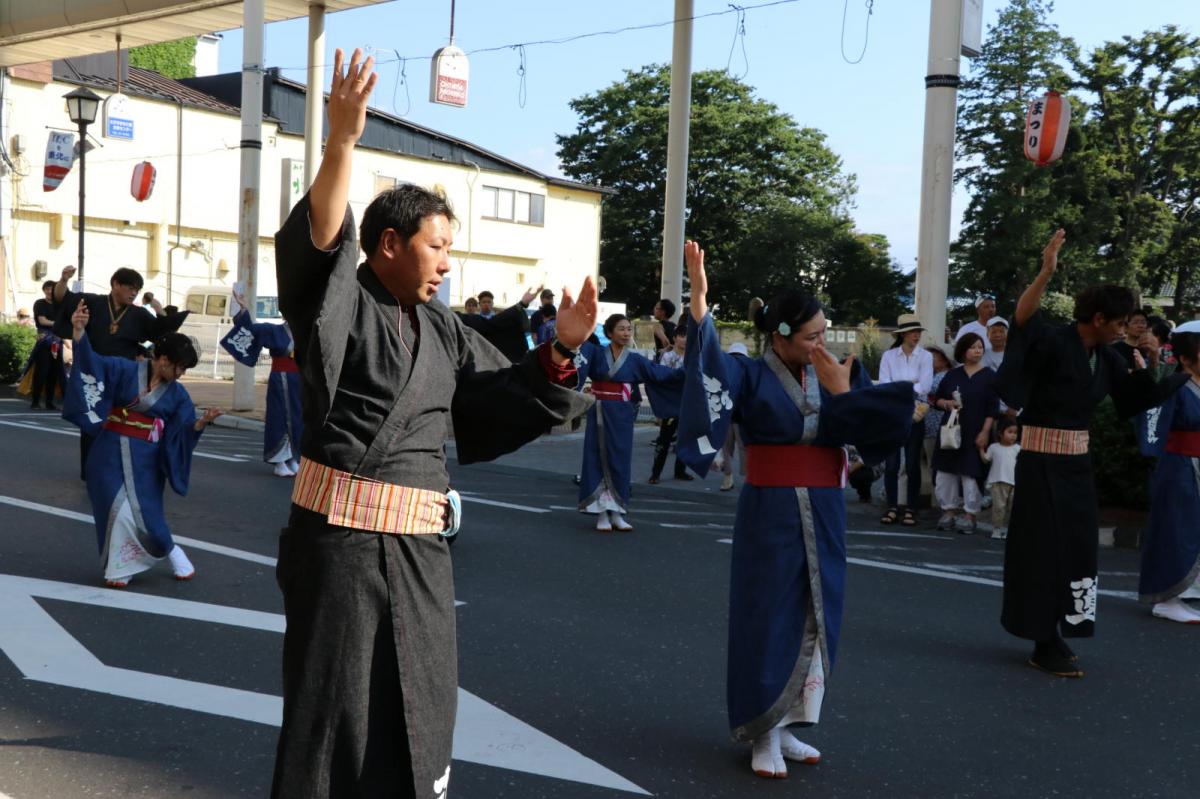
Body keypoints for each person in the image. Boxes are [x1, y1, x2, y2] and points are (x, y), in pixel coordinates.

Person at [268, 49, 595, 799]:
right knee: (335, 726)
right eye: (437, 247)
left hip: (421, 556)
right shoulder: (339, 301)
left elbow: (498, 394)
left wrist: (561, 350)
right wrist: (341, 141)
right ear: (389, 244)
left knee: (419, 715)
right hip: (341, 554)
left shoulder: (443, 328)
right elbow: (318, 243)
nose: (447, 264)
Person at [676, 240, 913, 779]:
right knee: (768, 615)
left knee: (816, 614)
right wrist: (700, 303)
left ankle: (790, 723)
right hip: (770, 510)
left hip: (825, 509)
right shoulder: (750, 373)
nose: (821, 343)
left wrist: (844, 394)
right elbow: (708, 371)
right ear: (779, 336)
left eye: (824, 333)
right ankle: (761, 729)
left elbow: (881, 431)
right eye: (811, 336)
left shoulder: (838, 370)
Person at [996, 229, 1188, 678]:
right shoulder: (1052, 340)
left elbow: (1134, 401)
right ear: (1099, 318)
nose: (1126, 329)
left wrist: (1156, 366)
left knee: (1079, 550)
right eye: (1120, 322)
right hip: (1040, 463)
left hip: (1077, 467)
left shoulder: (1110, 357)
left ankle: (1062, 629)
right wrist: (1046, 272)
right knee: (1041, 551)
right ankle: (1042, 637)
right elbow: (1022, 319)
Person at [61, 299, 221, 587]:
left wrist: (199, 424)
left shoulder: (178, 395)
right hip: (108, 451)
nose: (181, 374)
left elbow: (182, 430)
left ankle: (171, 550)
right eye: (180, 367)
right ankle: (120, 568)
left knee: (146, 515)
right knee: (115, 510)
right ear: (163, 360)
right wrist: (79, 332)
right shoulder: (124, 369)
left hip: (147, 458)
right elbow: (92, 365)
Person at [52, 265, 191, 478]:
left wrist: (160, 311)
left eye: (137, 289)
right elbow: (63, 298)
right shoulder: (93, 302)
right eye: (130, 288)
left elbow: (161, 334)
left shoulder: (139, 314)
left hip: (124, 376)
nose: (134, 293)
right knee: (92, 420)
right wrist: (63, 280)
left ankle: (115, 469)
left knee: (118, 422)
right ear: (116, 284)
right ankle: (90, 470)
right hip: (94, 372)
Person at [577, 313, 683, 530]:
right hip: (599, 411)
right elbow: (575, 354)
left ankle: (617, 511)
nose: (626, 333)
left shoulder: (634, 359)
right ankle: (601, 514)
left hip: (623, 414)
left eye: (629, 329)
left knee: (621, 460)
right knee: (598, 458)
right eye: (621, 329)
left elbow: (660, 373)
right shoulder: (596, 353)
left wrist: (688, 371)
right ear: (609, 333)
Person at [1134, 322, 1200, 623]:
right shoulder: (1174, 386)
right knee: (1176, 530)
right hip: (1180, 467)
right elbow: (1151, 423)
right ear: (1185, 358)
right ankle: (1166, 599)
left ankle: (1190, 591)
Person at [220, 290, 304, 477]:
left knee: (297, 418)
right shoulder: (273, 330)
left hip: (298, 380)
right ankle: (279, 461)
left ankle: (293, 458)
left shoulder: (305, 333)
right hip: (280, 379)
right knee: (279, 417)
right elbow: (250, 329)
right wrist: (242, 309)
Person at [931, 332, 998, 533]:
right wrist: (946, 403)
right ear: (963, 350)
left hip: (976, 430)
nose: (977, 351)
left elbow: (992, 409)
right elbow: (936, 399)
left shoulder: (989, 376)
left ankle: (970, 515)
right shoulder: (952, 375)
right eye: (973, 347)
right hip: (951, 430)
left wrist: (985, 432)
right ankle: (948, 511)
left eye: (980, 347)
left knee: (971, 472)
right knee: (945, 471)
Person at [878, 314, 933, 526]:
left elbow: (925, 386)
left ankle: (911, 508)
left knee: (912, 464)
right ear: (902, 335)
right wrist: (910, 385)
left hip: (914, 413)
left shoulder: (925, 356)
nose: (916, 335)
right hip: (894, 413)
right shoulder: (889, 356)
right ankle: (892, 506)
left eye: (918, 332)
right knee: (891, 464)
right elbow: (885, 385)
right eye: (912, 332)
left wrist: (900, 386)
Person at [648, 326, 692, 485]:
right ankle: (655, 473)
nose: (685, 340)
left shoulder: (693, 357)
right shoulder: (667, 356)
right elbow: (662, 379)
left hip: (687, 403)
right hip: (671, 403)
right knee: (664, 440)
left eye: (687, 336)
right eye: (681, 336)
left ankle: (680, 471)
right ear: (674, 338)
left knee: (685, 439)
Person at [980, 417, 1020, 540]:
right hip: (998, 482)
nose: (1013, 435)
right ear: (1000, 433)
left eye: (1015, 432)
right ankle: (996, 529)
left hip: (1014, 483)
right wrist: (981, 449)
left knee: (1012, 509)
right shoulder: (994, 447)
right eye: (1010, 432)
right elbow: (986, 459)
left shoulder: (1018, 448)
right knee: (998, 508)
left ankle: (1009, 530)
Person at [28, 280, 62, 410]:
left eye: (52, 289)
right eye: (47, 289)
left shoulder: (60, 305)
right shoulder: (40, 303)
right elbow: (42, 321)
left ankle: (49, 402)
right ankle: (35, 401)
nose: (49, 291)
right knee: (41, 372)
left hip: (58, 341)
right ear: (44, 290)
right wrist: (57, 323)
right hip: (44, 341)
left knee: (54, 373)